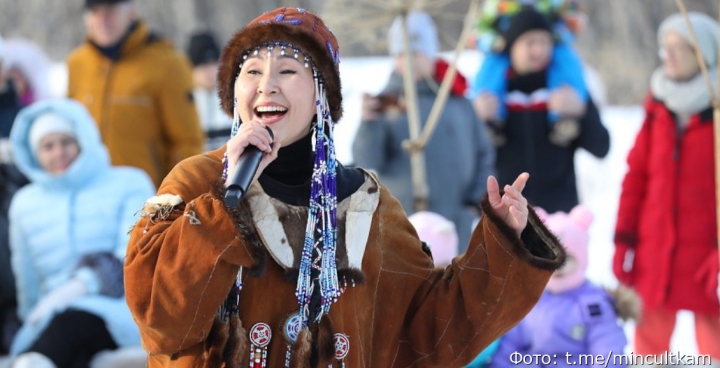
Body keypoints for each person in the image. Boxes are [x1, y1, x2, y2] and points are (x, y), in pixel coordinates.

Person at [124, 7, 566, 367]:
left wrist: (504, 244)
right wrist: (224, 204)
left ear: (322, 96)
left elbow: (426, 334)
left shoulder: (365, 205)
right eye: (251, 70)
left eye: (289, 70)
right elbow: (161, 323)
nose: (267, 85)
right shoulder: (196, 183)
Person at [7, 98, 155, 368]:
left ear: (84, 140)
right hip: (51, 319)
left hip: (120, 308)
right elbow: (25, 276)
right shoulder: (24, 203)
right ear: (33, 153)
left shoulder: (129, 183)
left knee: (71, 325)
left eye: (66, 142)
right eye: (47, 146)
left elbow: (136, 253)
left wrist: (78, 287)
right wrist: (34, 316)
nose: (58, 153)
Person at [613, 12, 720, 359]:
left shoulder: (716, 113)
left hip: (707, 258)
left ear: (703, 54)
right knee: (649, 350)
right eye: (665, 47)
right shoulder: (657, 108)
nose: (668, 55)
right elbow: (636, 179)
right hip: (655, 250)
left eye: (680, 47)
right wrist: (623, 241)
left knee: (714, 347)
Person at [352, 11, 496, 250]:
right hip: (403, 226)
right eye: (401, 54)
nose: (408, 61)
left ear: (431, 55)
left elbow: (484, 154)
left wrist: (472, 205)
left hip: (454, 226)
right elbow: (367, 160)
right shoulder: (386, 105)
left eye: (416, 54)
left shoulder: (456, 103)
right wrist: (369, 123)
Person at [472, 6, 609, 213]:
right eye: (530, 43)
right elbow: (462, 157)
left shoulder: (566, 89)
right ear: (512, 46)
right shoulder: (491, 94)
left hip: (559, 223)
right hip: (506, 222)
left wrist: (581, 111)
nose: (539, 50)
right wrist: (474, 117)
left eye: (545, 42)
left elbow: (602, 147)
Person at [67, 0, 204, 187]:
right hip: (89, 197)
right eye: (95, 12)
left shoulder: (167, 63)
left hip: (146, 200)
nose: (103, 20)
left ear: (131, 12)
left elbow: (187, 142)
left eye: (110, 11)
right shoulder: (77, 63)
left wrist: (175, 196)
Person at [489, 205, 628, 368]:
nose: (557, 268)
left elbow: (607, 352)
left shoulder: (593, 304)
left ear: (582, 259)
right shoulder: (529, 300)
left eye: (566, 259)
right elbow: (510, 346)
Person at [471, 0, 588, 125]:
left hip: (551, 41)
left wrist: (556, 35)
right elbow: (479, 29)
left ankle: (564, 118)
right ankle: (492, 120)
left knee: (566, 63)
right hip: (506, 47)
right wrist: (497, 42)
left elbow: (575, 19)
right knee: (491, 69)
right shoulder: (498, 3)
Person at [187, 31, 234, 151]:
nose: (210, 71)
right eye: (203, 66)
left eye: (213, 64)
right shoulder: (185, 103)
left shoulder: (235, 97)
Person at [2, 38, 52, 107]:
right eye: (11, 79)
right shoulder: (6, 102)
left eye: (17, 79)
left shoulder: (35, 102)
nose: (15, 84)